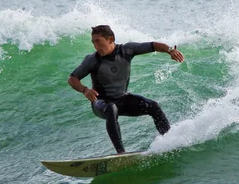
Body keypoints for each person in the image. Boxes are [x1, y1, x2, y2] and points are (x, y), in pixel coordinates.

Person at [68, 25, 185, 154]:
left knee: (153, 106)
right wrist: (85, 90)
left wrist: (170, 50)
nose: (95, 46)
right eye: (93, 42)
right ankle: (121, 153)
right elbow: (72, 79)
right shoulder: (92, 60)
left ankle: (169, 141)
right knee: (111, 108)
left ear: (110, 39)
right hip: (101, 103)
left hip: (122, 99)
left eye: (98, 41)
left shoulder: (126, 50)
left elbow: (153, 45)